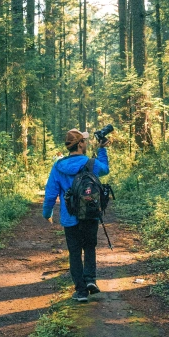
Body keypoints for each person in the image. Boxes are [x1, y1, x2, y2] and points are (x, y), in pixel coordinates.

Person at [42, 128, 110, 303]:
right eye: (84, 141)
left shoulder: (58, 166)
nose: (86, 143)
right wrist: (102, 150)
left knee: (74, 252)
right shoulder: (91, 163)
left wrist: (47, 213)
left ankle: (80, 291)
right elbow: (105, 170)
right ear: (80, 144)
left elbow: (51, 193)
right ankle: (90, 281)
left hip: (69, 216)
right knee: (89, 247)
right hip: (89, 214)